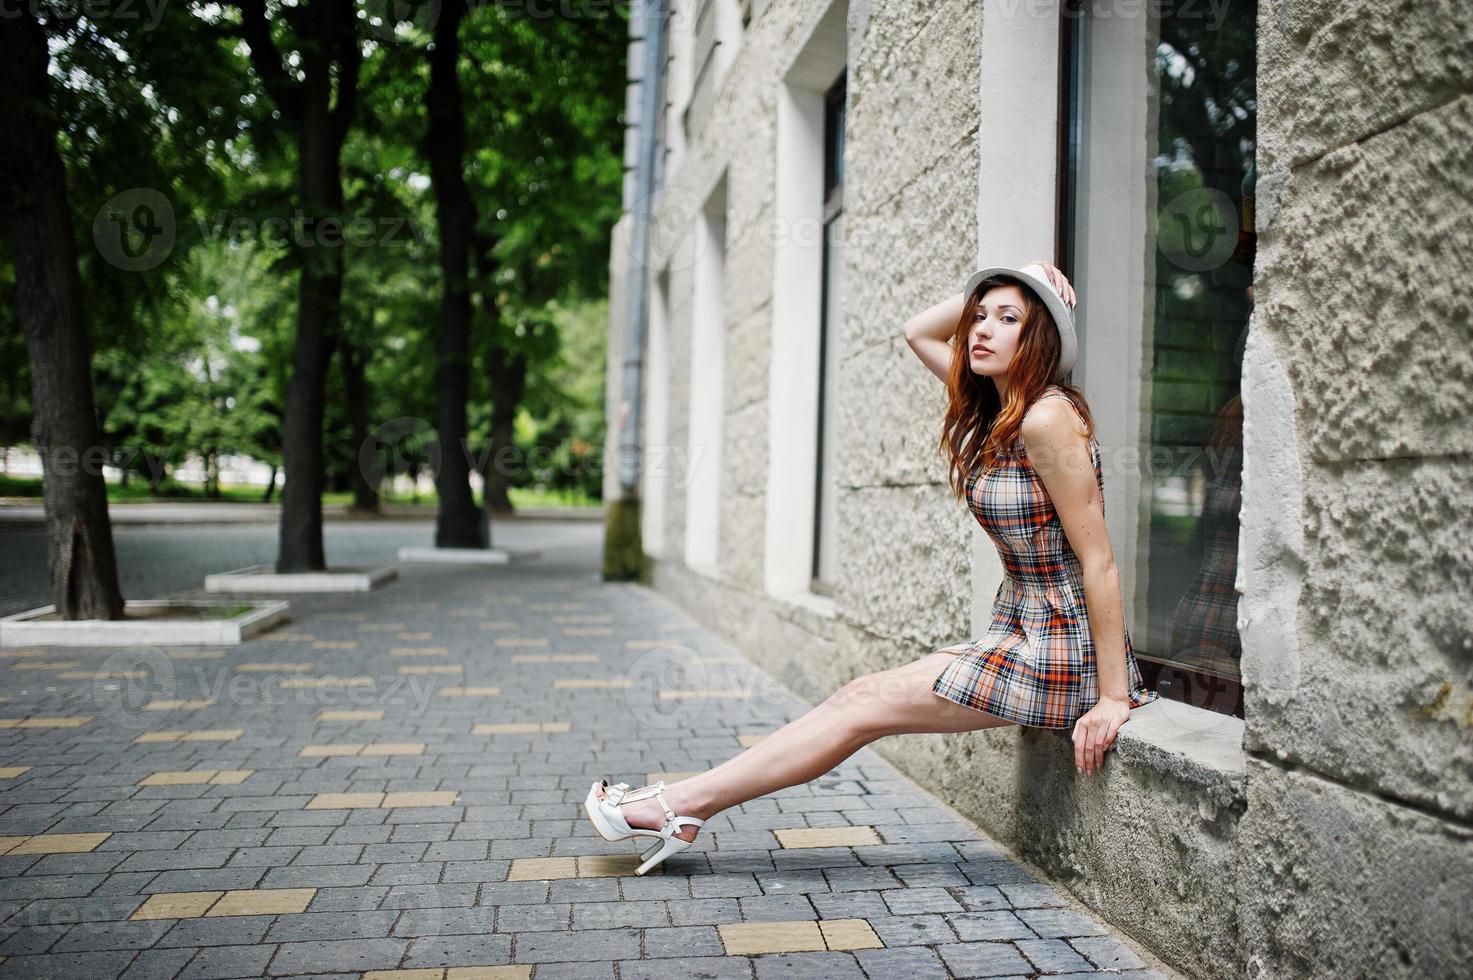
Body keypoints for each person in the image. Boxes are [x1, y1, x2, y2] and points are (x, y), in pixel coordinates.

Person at [584, 259, 1159, 875]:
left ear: (1039, 337)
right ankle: (683, 805)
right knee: (857, 698)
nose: (979, 330)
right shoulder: (1000, 409)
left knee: (863, 705)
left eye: (1008, 318)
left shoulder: (1048, 418)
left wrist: (1113, 698)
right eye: (978, 316)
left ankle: (679, 806)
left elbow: (1098, 562)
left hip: (1062, 649)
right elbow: (918, 331)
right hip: (1020, 630)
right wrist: (1015, 271)